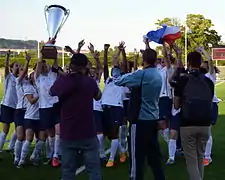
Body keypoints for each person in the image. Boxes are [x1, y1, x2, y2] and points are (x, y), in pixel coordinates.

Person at [50, 53, 102, 180]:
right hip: (87, 131)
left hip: (68, 132)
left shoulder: (63, 80)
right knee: (94, 170)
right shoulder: (89, 81)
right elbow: (98, 95)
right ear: (85, 66)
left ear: (71, 65)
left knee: (68, 171)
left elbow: (51, 91)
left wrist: (64, 76)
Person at [115, 48, 165, 180]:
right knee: (154, 156)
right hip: (152, 119)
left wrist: (118, 71)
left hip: (140, 120)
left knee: (137, 156)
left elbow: (118, 80)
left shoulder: (142, 74)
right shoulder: (158, 74)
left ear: (144, 60)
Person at [173, 51, 214, 180]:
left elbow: (176, 105)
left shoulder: (183, 80)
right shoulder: (208, 81)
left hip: (188, 123)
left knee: (191, 160)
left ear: (189, 63)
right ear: (200, 62)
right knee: (200, 157)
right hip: (205, 123)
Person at [0, 50, 20, 157]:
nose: (18, 67)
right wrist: (7, 57)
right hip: (7, 105)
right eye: (16, 65)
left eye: (19, 66)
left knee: (19, 129)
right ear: (12, 68)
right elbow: (6, 67)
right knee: (5, 130)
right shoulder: (9, 77)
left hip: (17, 107)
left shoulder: (20, 79)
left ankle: (11, 147)